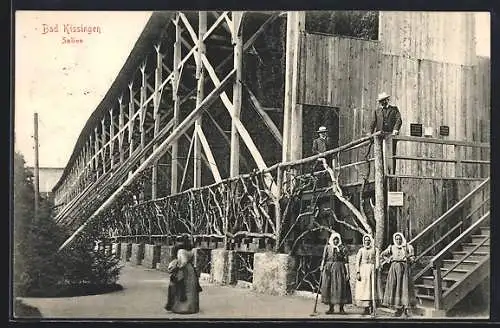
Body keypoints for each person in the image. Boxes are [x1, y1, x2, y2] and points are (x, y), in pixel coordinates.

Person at [380, 232, 416, 317]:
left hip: (404, 268)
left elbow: (413, 258)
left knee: (404, 287)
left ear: (402, 239)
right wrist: (389, 259)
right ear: (394, 240)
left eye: (400, 239)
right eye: (396, 239)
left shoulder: (407, 247)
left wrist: (409, 258)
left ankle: (405, 309)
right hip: (394, 268)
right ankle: (398, 309)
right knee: (396, 288)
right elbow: (382, 254)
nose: (398, 240)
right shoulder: (392, 247)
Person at [368, 92, 402, 174]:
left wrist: (395, 130)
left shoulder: (394, 109)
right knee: (380, 156)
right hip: (380, 137)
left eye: (383, 100)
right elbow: (373, 123)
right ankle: (381, 176)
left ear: (387, 100)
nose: (382, 102)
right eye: (380, 101)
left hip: (390, 136)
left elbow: (399, 120)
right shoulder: (377, 111)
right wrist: (370, 133)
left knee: (391, 155)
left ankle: (391, 175)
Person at [320, 231, 352, 314]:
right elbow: (324, 258)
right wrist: (322, 266)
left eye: (337, 240)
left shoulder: (342, 248)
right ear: (332, 240)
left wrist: (348, 273)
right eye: (334, 240)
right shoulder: (327, 247)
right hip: (328, 269)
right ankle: (331, 308)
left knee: (340, 287)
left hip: (339, 269)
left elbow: (346, 261)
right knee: (329, 287)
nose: (336, 241)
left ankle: (341, 308)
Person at [164, 248, 202, 314]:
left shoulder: (181, 251)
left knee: (181, 287)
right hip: (191, 270)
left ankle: (182, 307)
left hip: (184, 270)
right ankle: (191, 307)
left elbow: (184, 262)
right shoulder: (192, 250)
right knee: (190, 289)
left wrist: (178, 267)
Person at [355, 234, 380, 315]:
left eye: (368, 240)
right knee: (365, 289)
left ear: (371, 241)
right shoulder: (361, 250)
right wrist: (358, 272)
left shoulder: (375, 250)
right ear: (363, 241)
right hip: (363, 271)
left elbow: (377, 260)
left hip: (372, 270)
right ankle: (366, 308)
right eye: (365, 240)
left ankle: (373, 307)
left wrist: (377, 268)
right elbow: (357, 262)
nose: (367, 242)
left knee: (372, 288)